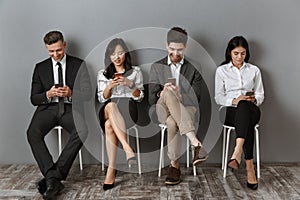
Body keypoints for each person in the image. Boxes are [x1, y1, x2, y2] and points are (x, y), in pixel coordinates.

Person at [27, 30, 91, 199]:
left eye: (58, 50)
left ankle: (54, 176)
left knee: (83, 130)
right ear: (47, 49)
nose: (55, 54)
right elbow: (34, 98)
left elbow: (88, 93)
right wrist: (48, 94)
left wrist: (70, 93)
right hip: (47, 109)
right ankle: (52, 175)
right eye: (51, 51)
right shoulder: (40, 68)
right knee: (32, 133)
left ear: (64, 45)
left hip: (70, 109)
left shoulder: (79, 64)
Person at [149, 27, 208, 185]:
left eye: (180, 50)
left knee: (172, 122)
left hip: (186, 108)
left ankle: (174, 166)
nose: (175, 54)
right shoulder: (156, 66)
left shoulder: (194, 67)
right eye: (172, 49)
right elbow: (150, 97)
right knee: (168, 92)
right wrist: (163, 93)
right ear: (166, 45)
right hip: (162, 108)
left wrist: (180, 95)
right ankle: (195, 143)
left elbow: (197, 98)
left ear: (186, 47)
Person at [215, 36, 264, 190]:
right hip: (230, 111)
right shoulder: (221, 70)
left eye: (243, 54)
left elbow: (261, 95)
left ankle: (237, 152)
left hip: (251, 108)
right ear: (230, 52)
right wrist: (235, 101)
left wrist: (253, 99)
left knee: (245, 107)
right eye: (236, 53)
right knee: (243, 111)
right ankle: (250, 166)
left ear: (246, 53)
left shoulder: (254, 70)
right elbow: (218, 97)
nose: (239, 57)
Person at [97, 38, 144, 190]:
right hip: (108, 107)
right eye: (113, 54)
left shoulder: (135, 72)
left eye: (120, 53)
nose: (117, 57)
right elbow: (101, 98)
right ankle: (127, 148)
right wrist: (109, 87)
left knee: (109, 125)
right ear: (109, 56)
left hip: (128, 109)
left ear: (126, 54)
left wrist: (131, 85)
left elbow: (140, 97)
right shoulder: (103, 74)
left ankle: (111, 169)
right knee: (110, 105)